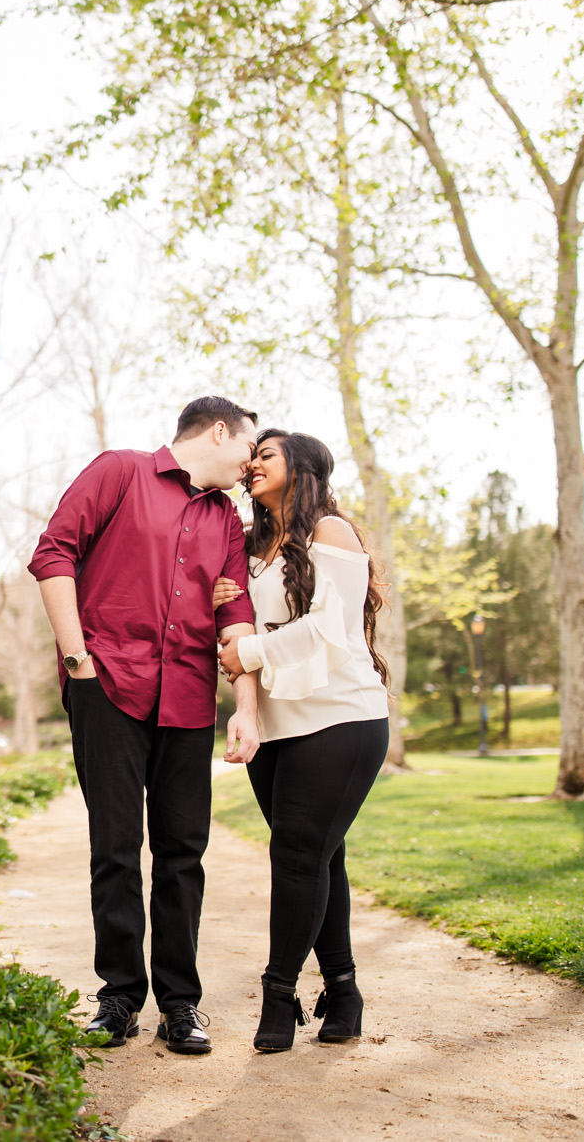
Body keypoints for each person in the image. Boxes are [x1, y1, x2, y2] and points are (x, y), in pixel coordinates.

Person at [28, 396, 263, 1056]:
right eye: (248, 445)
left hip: (188, 697)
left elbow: (236, 617)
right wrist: (78, 658)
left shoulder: (227, 521)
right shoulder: (120, 471)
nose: (250, 462)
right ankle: (119, 998)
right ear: (220, 430)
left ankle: (180, 1004)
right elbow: (54, 554)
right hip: (108, 687)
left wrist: (244, 706)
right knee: (116, 846)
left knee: (184, 853)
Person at [214, 429, 391, 1052]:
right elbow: (235, 636)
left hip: (343, 717)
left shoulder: (332, 533)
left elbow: (332, 630)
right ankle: (343, 992)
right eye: (250, 455)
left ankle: (279, 995)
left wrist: (247, 647)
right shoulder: (249, 548)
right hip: (281, 727)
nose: (252, 463)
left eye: (267, 454)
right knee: (319, 856)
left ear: (305, 467)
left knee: (295, 856)